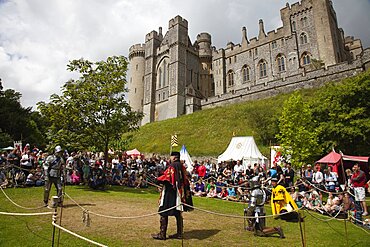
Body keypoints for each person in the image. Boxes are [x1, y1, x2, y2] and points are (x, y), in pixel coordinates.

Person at [152, 151, 193, 240]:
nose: (170, 158)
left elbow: (167, 177)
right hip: (178, 193)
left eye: (171, 157)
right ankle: (179, 233)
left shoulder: (173, 166)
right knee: (178, 213)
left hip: (170, 193)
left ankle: (162, 234)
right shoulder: (182, 166)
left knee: (163, 212)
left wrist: (157, 180)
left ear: (174, 157)